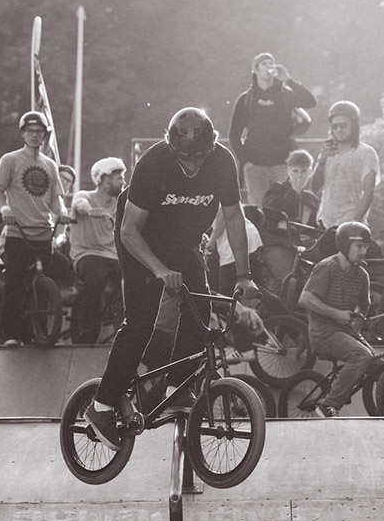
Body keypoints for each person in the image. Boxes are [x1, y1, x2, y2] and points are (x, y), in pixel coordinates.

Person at [84, 107, 259, 450]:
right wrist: (159, 270)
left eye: (198, 160)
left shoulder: (222, 161)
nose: (192, 168)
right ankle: (101, 405)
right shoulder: (154, 163)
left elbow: (234, 218)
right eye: (185, 161)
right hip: (141, 242)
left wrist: (245, 275)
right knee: (140, 322)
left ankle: (176, 389)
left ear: (210, 148)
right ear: (172, 148)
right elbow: (129, 230)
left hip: (183, 241)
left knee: (198, 310)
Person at [0, 110, 70, 346]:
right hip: (18, 232)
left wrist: (63, 213)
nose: (35, 136)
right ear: (23, 133)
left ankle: (40, 333)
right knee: (15, 282)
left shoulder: (50, 165)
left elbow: (56, 199)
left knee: (45, 285)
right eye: (31, 131)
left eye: (40, 132)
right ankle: (11, 335)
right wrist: (5, 209)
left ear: (45, 135)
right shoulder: (10, 160)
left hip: (43, 233)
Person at [297, 221, 375, 418]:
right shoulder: (327, 267)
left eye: (366, 246)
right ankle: (328, 406)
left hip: (344, 332)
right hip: (323, 334)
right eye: (359, 246)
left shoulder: (362, 275)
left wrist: (357, 326)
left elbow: (364, 305)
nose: (363, 251)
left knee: (380, 363)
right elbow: (305, 299)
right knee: (362, 356)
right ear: (344, 244)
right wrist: (337, 314)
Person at [228, 52, 318, 207]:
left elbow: (311, 102)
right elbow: (234, 134)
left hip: (282, 163)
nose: (269, 66)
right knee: (258, 209)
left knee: (281, 208)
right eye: (264, 63)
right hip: (255, 165)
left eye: (271, 63)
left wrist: (288, 80)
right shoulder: (246, 99)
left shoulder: (286, 94)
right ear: (255, 70)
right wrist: (245, 161)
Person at [68, 156, 126, 343]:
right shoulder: (86, 196)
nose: (123, 182)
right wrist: (91, 210)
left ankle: (125, 334)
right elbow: (79, 204)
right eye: (119, 178)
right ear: (105, 179)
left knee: (131, 282)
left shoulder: (118, 205)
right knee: (95, 279)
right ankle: (85, 332)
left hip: (112, 256)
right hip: (86, 253)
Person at [309, 100, 380, 231]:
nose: (339, 130)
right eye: (334, 126)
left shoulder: (366, 153)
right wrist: (321, 162)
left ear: (354, 125)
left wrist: (355, 221)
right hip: (325, 225)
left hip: (351, 225)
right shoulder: (328, 151)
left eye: (343, 125)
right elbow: (313, 187)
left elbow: (369, 192)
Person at [206, 206, 263, 297]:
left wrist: (212, 241)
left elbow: (223, 213)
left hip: (235, 242)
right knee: (251, 287)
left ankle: (278, 308)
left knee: (228, 292)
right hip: (250, 236)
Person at [262, 148, 320, 227]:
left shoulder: (312, 199)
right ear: (289, 171)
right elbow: (271, 215)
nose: (299, 175)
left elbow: (314, 227)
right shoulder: (276, 189)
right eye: (295, 171)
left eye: (304, 171)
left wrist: (308, 234)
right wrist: (295, 191)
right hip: (278, 237)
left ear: (309, 172)